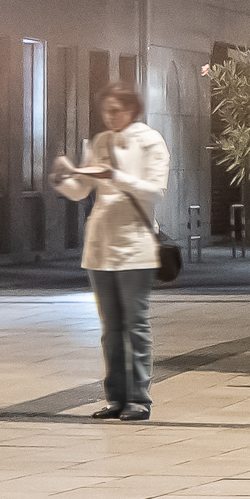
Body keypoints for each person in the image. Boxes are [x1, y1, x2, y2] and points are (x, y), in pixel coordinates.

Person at [56, 84, 169, 418]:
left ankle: (139, 399)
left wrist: (116, 175)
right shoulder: (101, 141)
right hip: (100, 245)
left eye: (117, 110)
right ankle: (115, 397)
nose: (111, 117)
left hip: (135, 245)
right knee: (110, 328)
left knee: (135, 323)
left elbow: (155, 192)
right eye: (106, 111)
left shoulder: (150, 141)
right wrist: (64, 178)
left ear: (132, 110)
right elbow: (81, 190)